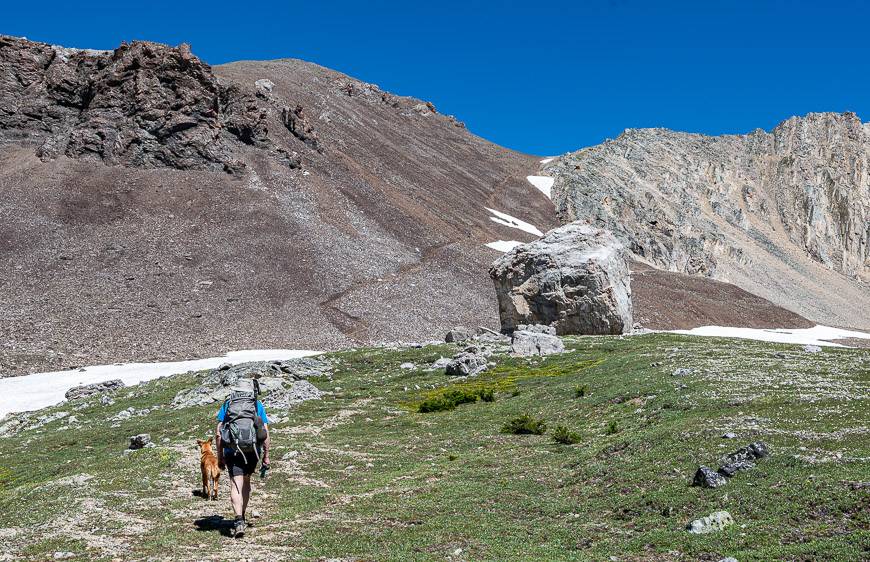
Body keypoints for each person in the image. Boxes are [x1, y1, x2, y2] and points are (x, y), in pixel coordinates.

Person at [215, 392, 271, 538]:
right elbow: (265, 432)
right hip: (252, 451)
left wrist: (220, 457)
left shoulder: (228, 404)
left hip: (232, 450)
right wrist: (266, 456)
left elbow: (218, 433)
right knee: (246, 482)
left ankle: (238, 519)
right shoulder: (256, 404)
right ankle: (243, 516)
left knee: (235, 484)